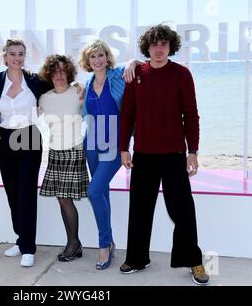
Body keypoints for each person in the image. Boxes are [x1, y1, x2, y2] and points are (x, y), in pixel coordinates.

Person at [118, 24, 210, 285]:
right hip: (143, 154)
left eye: (164, 44)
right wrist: (124, 147)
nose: (159, 49)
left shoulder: (181, 74)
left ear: (171, 47)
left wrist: (193, 151)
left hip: (174, 153)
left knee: (182, 210)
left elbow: (191, 115)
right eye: (154, 44)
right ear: (147, 47)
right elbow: (127, 114)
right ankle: (137, 258)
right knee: (139, 209)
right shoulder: (135, 73)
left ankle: (194, 261)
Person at [78, 39, 138, 270]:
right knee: (101, 192)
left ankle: (104, 244)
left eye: (100, 55)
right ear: (88, 61)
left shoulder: (118, 75)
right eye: (92, 57)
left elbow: (138, 65)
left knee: (93, 190)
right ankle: (110, 241)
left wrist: (133, 61)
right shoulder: (88, 82)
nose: (97, 60)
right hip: (91, 143)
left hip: (114, 143)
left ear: (107, 57)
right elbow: (85, 113)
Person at [0, 38, 51, 267]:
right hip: (5, 138)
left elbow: (61, 83)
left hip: (28, 136)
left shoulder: (35, 81)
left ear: (25, 57)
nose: (17, 58)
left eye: (21, 54)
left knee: (26, 191)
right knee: (12, 191)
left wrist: (77, 89)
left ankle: (28, 247)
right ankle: (20, 238)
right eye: (12, 53)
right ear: (5, 56)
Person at [38, 54, 88, 262]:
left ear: (69, 72)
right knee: (62, 199)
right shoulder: (44, 98)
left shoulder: (78, 92)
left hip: (74, 151)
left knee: (66, 200)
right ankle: (73, 243)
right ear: (49, 75)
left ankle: (73, 243)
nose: (58, 75)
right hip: (55, 152)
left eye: (62, 71)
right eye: (55, 71)